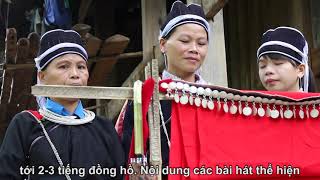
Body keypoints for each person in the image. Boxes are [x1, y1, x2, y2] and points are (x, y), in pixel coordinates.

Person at [0, 29, 124, 179]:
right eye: (63, 66)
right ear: (42, 76)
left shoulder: (104, 128)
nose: (75, 74)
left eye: (81, 67)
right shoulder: (26, 125)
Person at [119, 1, 210, 178]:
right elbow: (127, 159)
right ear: (163, 44)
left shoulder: (216, 99)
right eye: (185, 41)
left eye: (201, 43)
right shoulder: (143, 98)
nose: (194, 49)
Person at [257, 26, 317, 92]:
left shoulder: (315, 102)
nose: (268, 71)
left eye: (278, 63)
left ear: (300, 70)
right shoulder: (250, 102)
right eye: (262, 66)